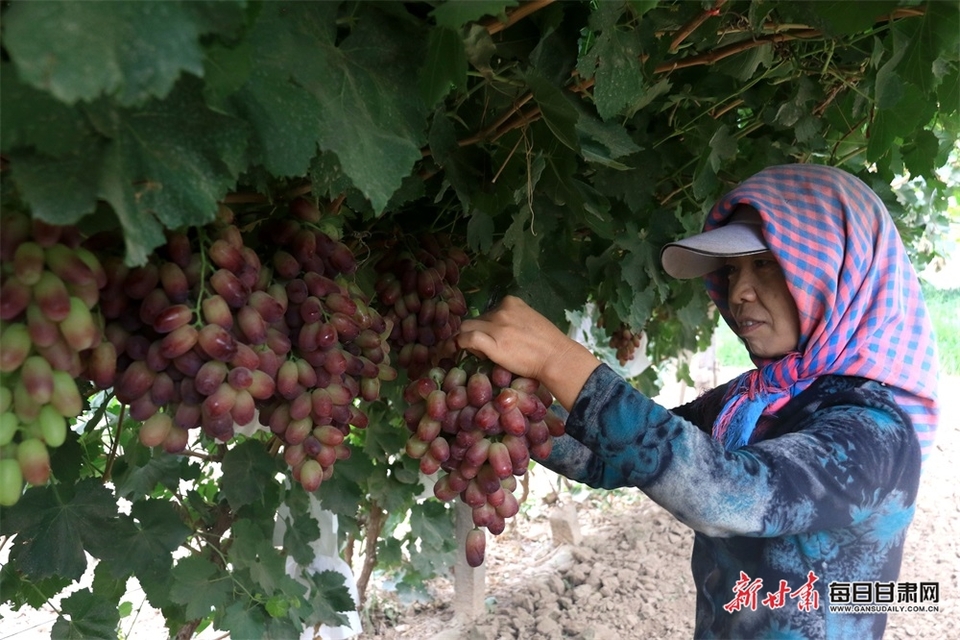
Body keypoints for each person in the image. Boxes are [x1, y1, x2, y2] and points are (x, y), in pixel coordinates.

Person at [455, 164, 940, 639]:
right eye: (731, 271)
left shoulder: (875, 430)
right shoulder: (750, 400)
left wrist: (558, 360)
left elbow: (728, 495)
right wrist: (512, 403)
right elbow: (619, 458)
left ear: (837, 271)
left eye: (765, 263)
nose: (739, 291)